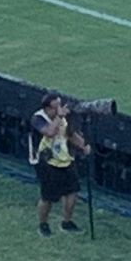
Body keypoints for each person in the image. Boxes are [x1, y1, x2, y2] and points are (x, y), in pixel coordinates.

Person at [29, 93, 89, 236]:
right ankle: (43, 225)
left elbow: (69, 134)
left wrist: (83, 145)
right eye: (56, 107)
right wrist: (59, 117)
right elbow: (49, 132)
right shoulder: (38, 118)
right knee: (48, 197)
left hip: (64, 158)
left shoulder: (61, 118)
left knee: (72, 191)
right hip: (45, 161)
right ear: (48, 108)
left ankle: (66, 222)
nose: (60, 110)